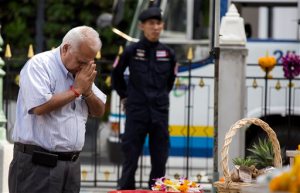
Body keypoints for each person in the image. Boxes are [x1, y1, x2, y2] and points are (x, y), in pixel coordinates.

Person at [8, 26, 106, 193]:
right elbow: (39, 107)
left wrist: (87, 92)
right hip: (38, 165)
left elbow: (99, 111)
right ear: (66, 48)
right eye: (81, 61)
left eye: (89, 62)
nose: (83, 67)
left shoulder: (81, 74)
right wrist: (76, 91)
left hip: (71, 166)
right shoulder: (39, 65)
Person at [112, 7, 177, 190]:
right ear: (142, 26)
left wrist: (160, 97)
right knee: (130, 157)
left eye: (158, 23)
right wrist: (125, 96)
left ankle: (156, 189)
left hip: (159, 112)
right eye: (151, 24)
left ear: (162, 26)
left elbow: (170, 81)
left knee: (160, 159)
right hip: (137, 111)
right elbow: (116, 75)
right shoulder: (131, 51)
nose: (155, 27)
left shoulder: (168, 54)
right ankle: (126, 189)